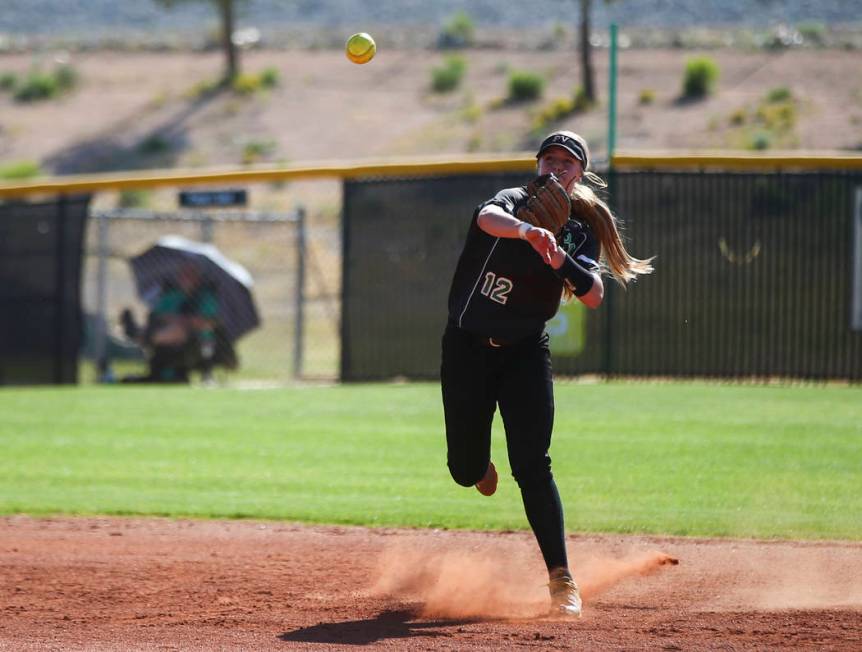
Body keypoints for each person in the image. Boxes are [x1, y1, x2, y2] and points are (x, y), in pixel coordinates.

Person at [440, 130, 654, 617]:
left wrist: (558, 256)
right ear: (537, 165)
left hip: (524, 353)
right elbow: (485, 217)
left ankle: (561, 579)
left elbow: (595, 294)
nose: (556, 168)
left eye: (567, 162)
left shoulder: (581, 228)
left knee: (533, 464)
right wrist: (526, 231)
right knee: (464, 470)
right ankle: (477, 468)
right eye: (548, 159)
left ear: (581, 172)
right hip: (467, 349)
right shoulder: (515, 201)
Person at [121, 262, 233, 383]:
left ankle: (142, 336)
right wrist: (176, 319)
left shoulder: (206, 297)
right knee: (170, 328)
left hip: (197, 340)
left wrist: (182, 320)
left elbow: (208, 322)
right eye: (183, 274)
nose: (186, 278)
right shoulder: (172, 296)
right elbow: (157, 316)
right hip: (166, 336)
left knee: (179, 329)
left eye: (190, 275)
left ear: (197, 277)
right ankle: (145, 335)